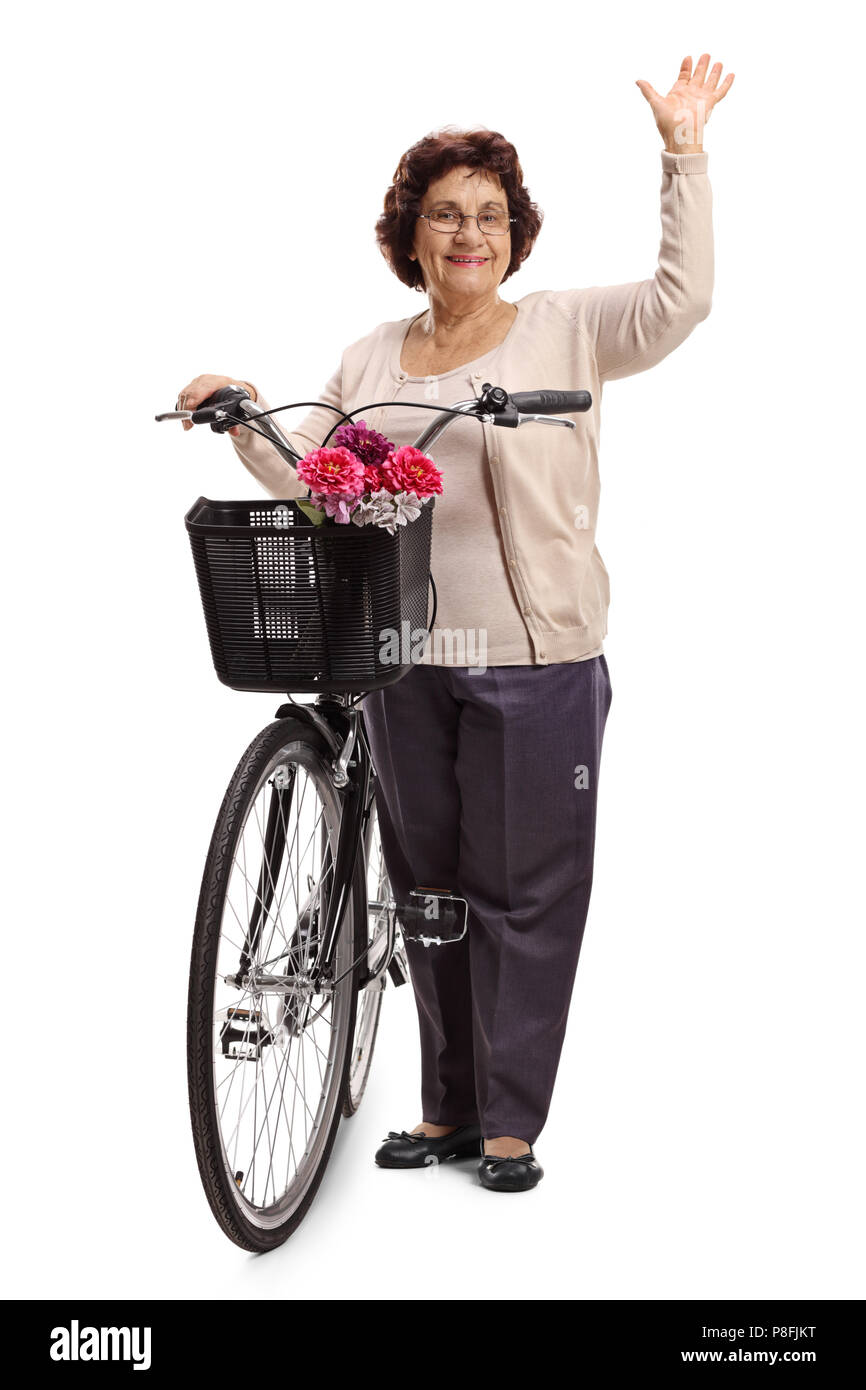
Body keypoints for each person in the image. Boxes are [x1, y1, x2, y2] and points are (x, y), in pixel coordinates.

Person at [177, 53, 734, 1194]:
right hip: (403, 653)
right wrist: (238, 413)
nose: (466, 233)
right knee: (429, 890)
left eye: (487, 215)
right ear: (411, 235)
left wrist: (682, 150)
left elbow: (681, 302)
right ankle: (445, 1106)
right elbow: (314, 474)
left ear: (514, 235)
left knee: (522, 893)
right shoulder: (372, 355)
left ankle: (510, 1122)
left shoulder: (568, 330)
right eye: (444, 215)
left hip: (534, 659)